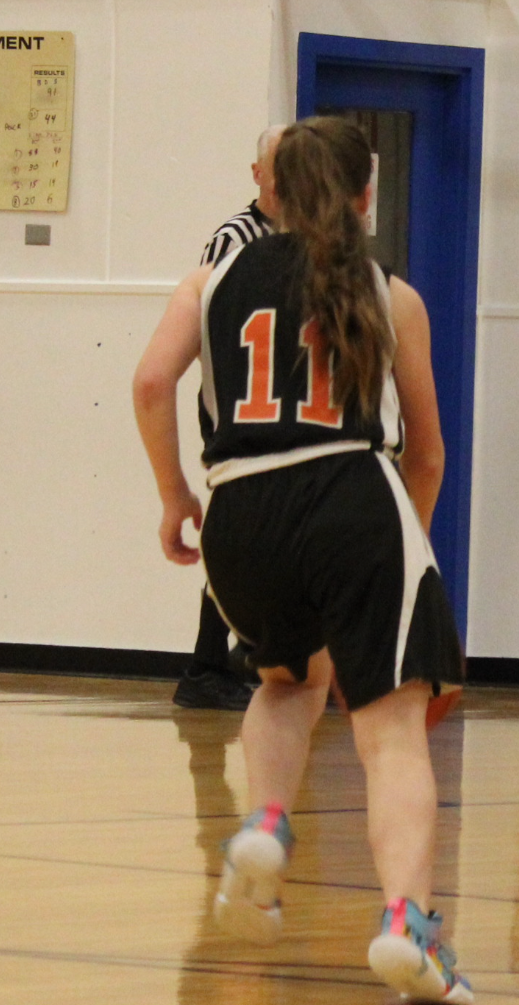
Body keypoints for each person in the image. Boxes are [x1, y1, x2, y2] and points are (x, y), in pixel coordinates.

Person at [133, 116, 471, 1005]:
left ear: (270, 189)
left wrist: (174, 495)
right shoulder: (390, 294)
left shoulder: (209, 280)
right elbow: (427, 453)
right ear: (366, 193)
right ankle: (407, 927)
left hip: (240, 509)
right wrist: (404, 554)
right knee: (390, 731)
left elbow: (150, 382)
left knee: (287, 682)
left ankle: (267, 820)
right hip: (350, 496)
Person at [174, 124, 286, 711]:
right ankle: (210, 663)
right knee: (239, 534)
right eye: (278, 164)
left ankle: (237, 657)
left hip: (278, 409)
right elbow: (212, 332)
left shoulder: (301, 237)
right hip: (239, 410)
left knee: (264, 535)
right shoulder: (234, 239)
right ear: (257, 173)